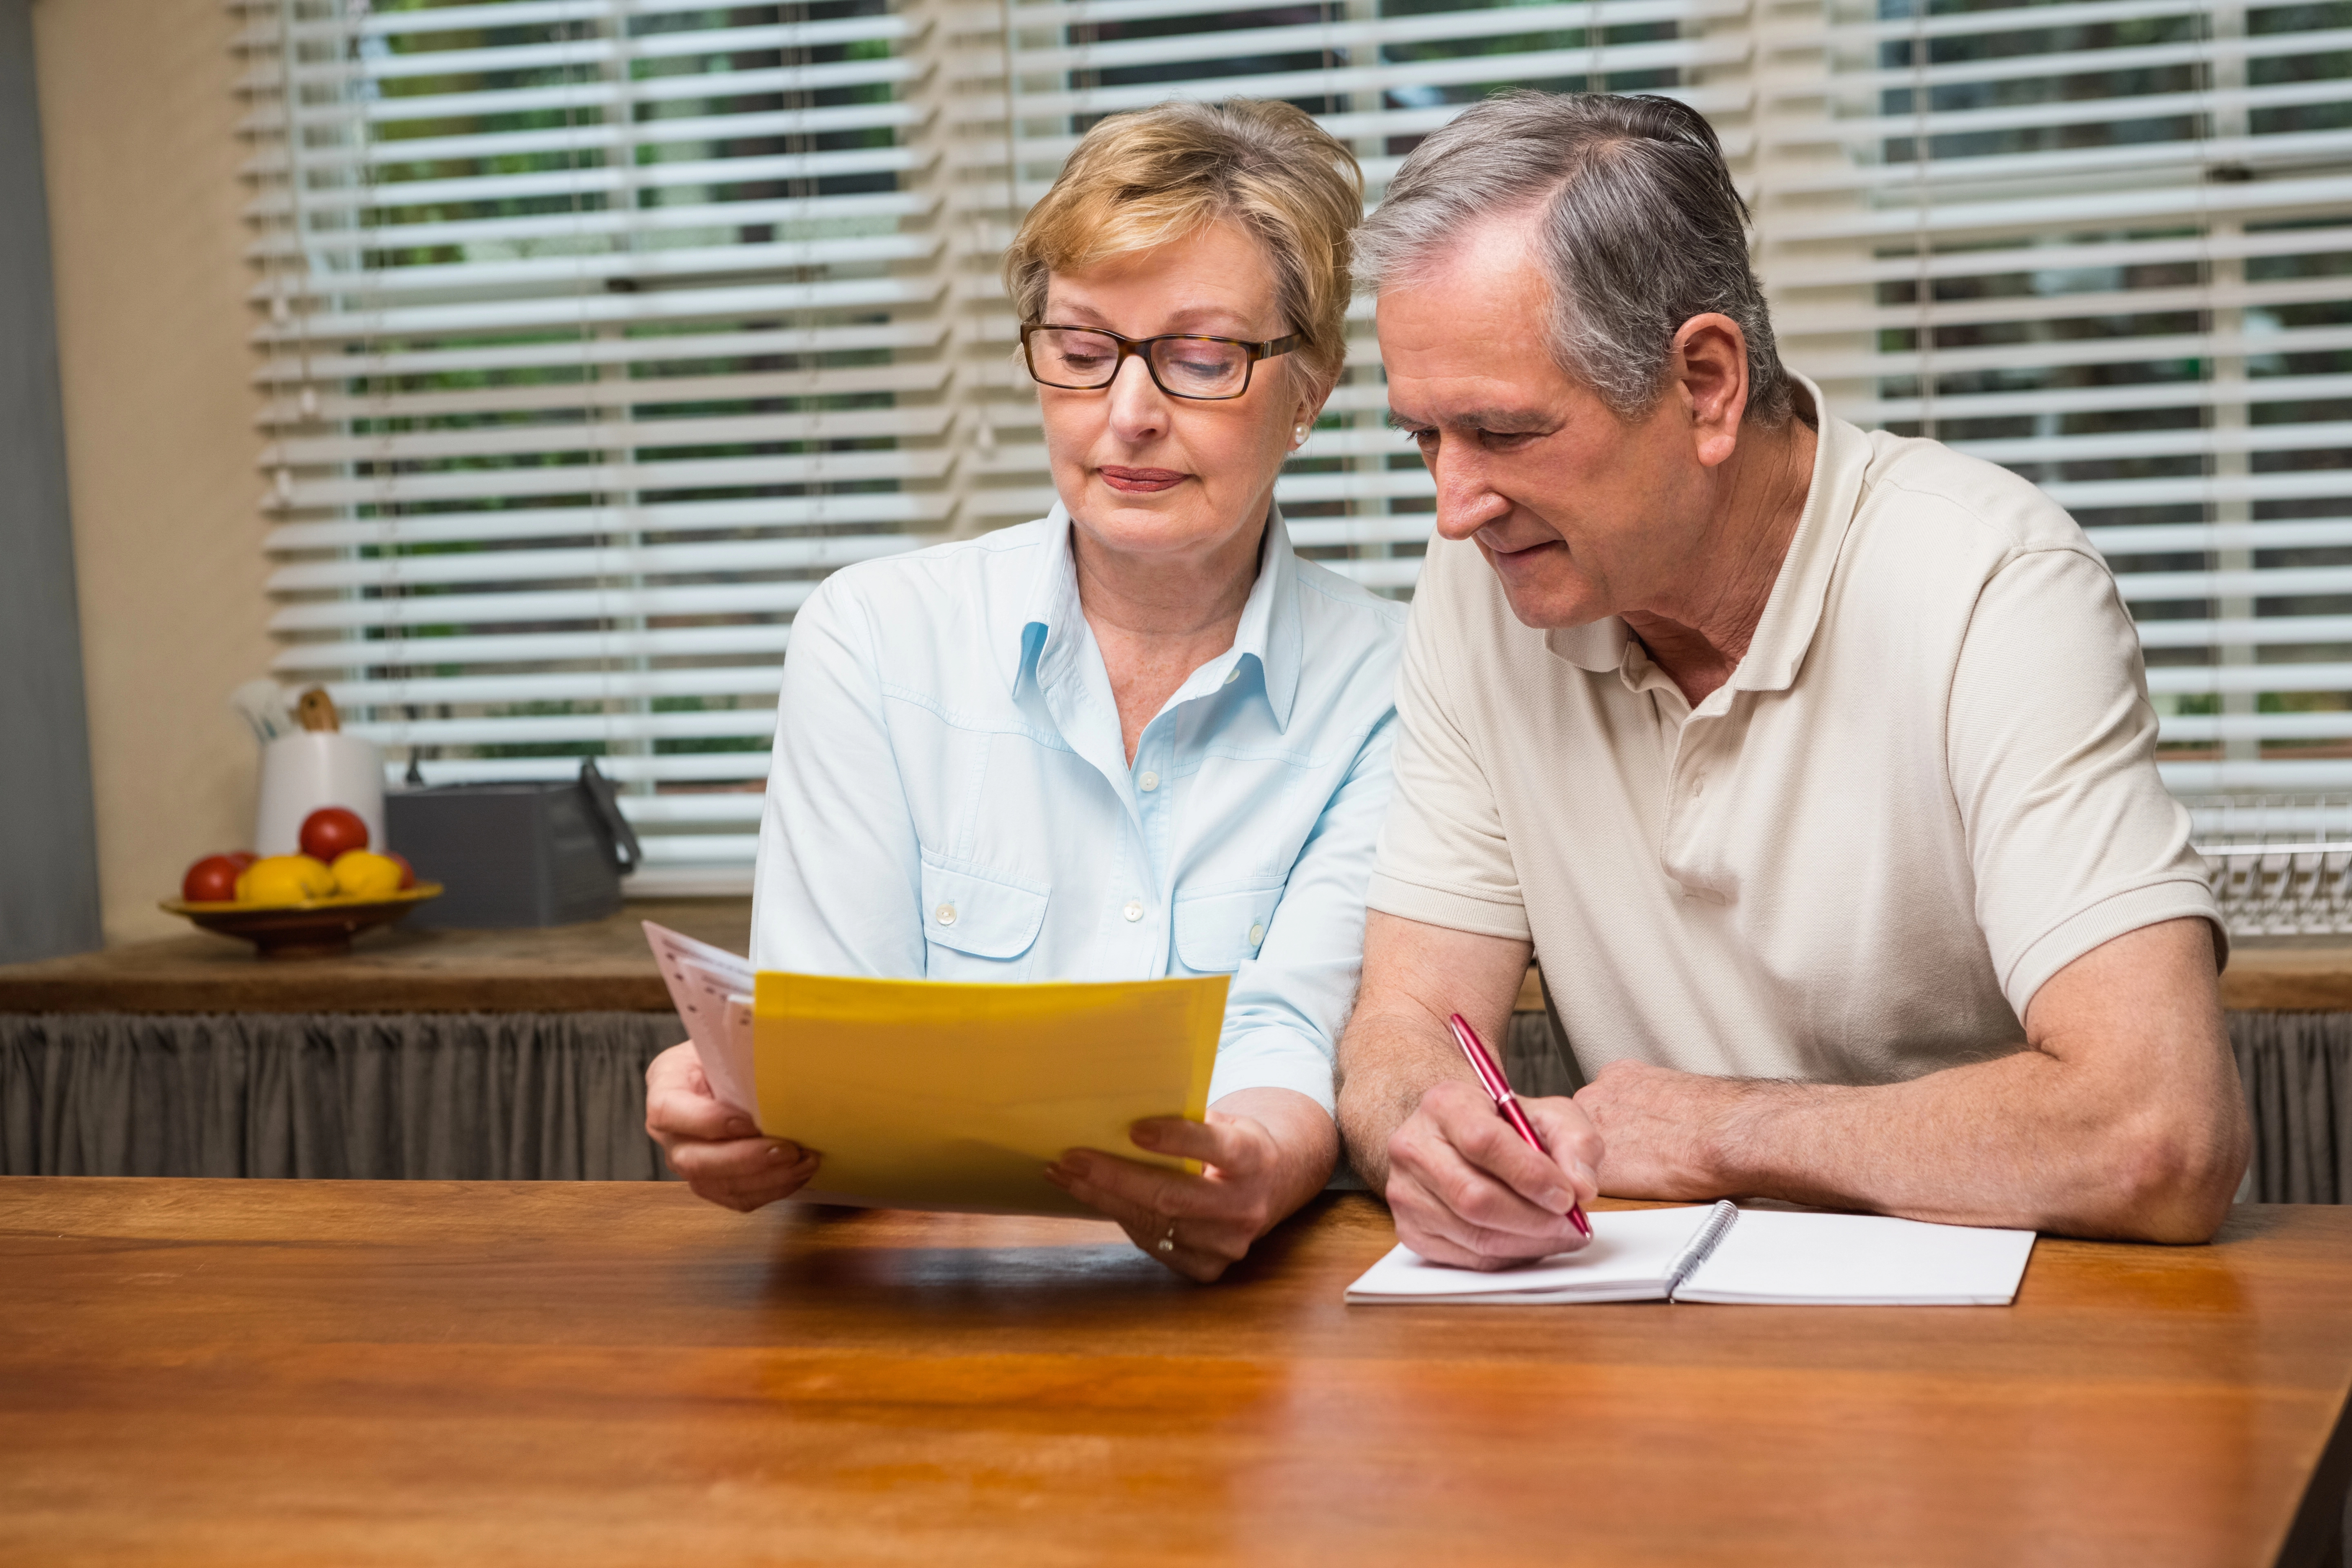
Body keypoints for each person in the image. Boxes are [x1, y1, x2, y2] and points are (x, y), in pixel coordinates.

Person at [1332, 90, 2250, 1268]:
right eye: (1425, 438)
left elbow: (2157, 1132)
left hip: (2032, 1356)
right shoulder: (1485, 584)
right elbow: (1406, 1023)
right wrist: (1435, 1139)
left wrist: (1720, 1128)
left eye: (1505, 435)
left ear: (1706, 383)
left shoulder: (1993, 580)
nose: (1454, 507)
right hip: (1669, 1345)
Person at [644, 99, 1405, 1281]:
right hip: (910, 1309)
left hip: (1247, 1310)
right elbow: (838, 1048)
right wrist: (748, 1109)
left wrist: (1259, 1157)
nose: (1130, 415)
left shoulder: (1394, 685)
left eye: (1201, 357)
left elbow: (1289, 1028)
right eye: (1084, 349)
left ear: (1308, 390)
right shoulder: (875, 637)